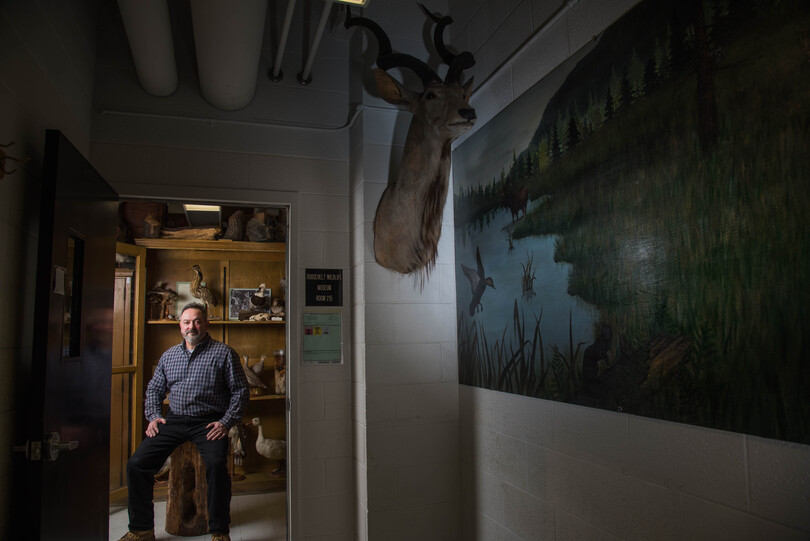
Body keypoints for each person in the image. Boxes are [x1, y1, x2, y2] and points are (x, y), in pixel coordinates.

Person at [118, 302, 249, 541]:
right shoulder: (169, 356)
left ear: (206, 324)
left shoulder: (224, 353)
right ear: (180, 325)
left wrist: (226, 422)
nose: (192, 326)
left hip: (209, 423)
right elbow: (154, 389)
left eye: (197, 321)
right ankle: (142, 529)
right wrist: (154, 416)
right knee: (137, 464)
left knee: (217, 466)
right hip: (174, 421)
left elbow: (241, 391)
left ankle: (220, 531)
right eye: (187, 322)